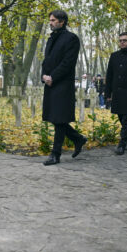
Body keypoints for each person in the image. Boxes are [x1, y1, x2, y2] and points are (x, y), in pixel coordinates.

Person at [40, 10, 87, 166]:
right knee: (55, 118)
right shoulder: (51, 39)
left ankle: (55, 154)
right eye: (50, 20)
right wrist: (44, 75)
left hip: (62, 84)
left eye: (53, 20)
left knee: (59, 119)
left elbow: (68, 63)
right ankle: (78, 139)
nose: (50, 22)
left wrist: (53, 76)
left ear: (62, 21)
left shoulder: (71, 39)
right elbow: (46, 61)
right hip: (50, 83)